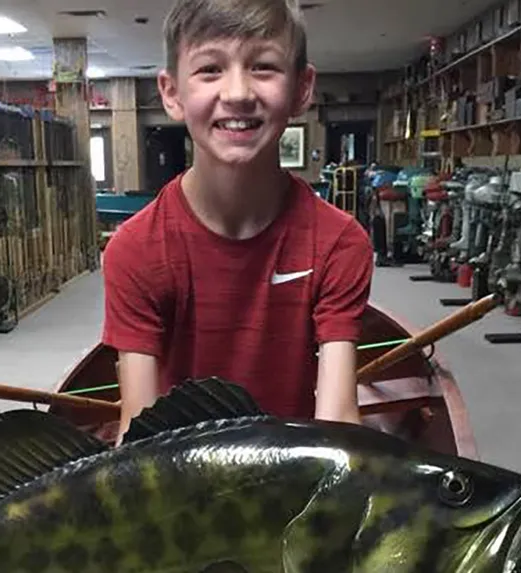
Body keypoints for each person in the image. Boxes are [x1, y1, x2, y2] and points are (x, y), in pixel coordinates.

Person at [101, 0, 375, 443]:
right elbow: (140, 432)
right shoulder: (135, 249)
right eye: (210, 69)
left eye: (264, 66)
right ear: (172, 93)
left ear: (303, 89)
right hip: (180, 479)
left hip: (294, 475)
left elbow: (337, 419)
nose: (238, 93)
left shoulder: (340, 242)